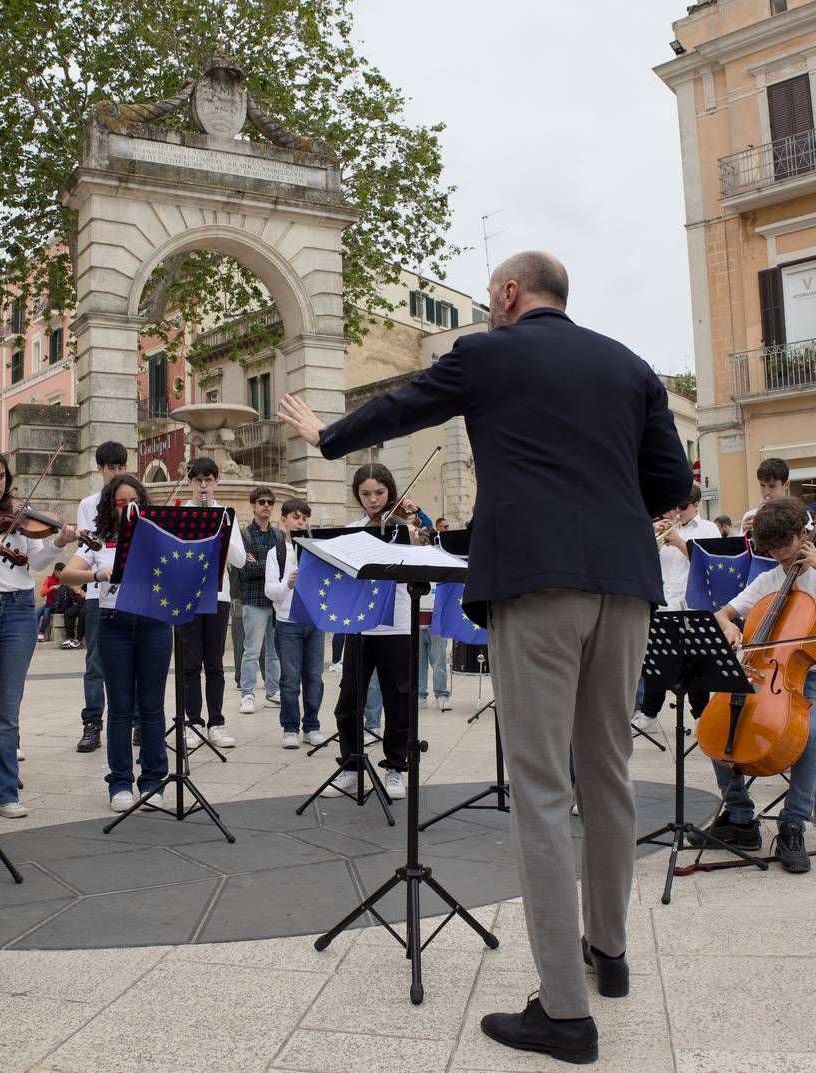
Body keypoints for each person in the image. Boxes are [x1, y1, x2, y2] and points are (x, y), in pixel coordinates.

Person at [279, 250, 692, 1064]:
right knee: (607, 772)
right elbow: (670, 481)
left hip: (536, 583)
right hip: (625, 583)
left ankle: (564, 1012)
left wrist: (327, 436)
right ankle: (608, 952)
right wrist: (599, 509)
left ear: (507, 293)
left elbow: (401, 407)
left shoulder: (487, 352)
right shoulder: (630, 365)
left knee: (540, 787)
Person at [696, 497, 816, 870]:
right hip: (769, 670)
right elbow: (722, 613)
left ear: (802, 534)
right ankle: (740, 818)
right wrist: (729, 625)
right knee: (718, 723)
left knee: (809, 733)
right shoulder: (768, 580)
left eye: (785, 544)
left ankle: (793, 822)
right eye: (772, 548)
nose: (780, 554)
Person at [0, 445, 76, 827]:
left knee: (6, 711)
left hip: (19, 609)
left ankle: (3, 792)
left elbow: (35, 563)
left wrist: (57, 543)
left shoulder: (20, 512)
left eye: (1, 477)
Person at [59, 474, 168, 810]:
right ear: (111, 505)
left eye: (134, 501)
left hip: (153, 621)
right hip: (113, 622)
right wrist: (97, 574)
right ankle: (120, 783)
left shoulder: (157, 536)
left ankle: (153, 780)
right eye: (122, 502)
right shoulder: (98, 540)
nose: (128, 507)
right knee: (120, 707)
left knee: (152, 706)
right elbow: (66, 574)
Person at [320, 462, 419, 803]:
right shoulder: (353, 531)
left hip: (397, 624)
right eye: (365, 494)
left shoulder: (404, 527)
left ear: (390, 492)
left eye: (379, 493)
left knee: (398, 700)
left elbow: (424, 564)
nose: (373, 500)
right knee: (348, 701)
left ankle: (396, 767)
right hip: (360, 624)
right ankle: (350, 767)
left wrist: (414, 535)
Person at [632, 483, 720, 732]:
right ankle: (649, 713)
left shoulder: (708, 529)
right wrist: (650, 536)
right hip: (664, 605)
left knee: (696, 664)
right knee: (658, 661)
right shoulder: (663, 527)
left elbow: (708, 564)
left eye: (683, 507)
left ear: (696, 505)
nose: (677, 512)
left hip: (692, 607)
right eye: (674, 507)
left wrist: (680, 542)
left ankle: (701, 715)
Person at [176, 457, 246, 749]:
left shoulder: (226, 515)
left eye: (208, 480)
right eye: (198, 480)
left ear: (217, 482)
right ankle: (193, 722)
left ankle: (217, 722)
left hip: (218, 595)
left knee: (214, 663)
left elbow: (239, 560)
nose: (203, 486)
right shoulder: (180, 513)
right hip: (187, 595)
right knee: (190, 663)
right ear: (190, 482)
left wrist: (220, 534)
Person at [73, 441, 128, 753]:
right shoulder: (88, 504)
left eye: (121, 467)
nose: (116, 473)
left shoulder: (133, 501)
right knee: (95, 663)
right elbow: (88, 548)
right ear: (101, 469)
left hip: (131, 593)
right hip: (98, 592)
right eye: (111, 468)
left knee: (134, 661)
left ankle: (136, 721)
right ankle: (92, 723)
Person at [264, 498, 326, 748]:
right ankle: (290, 727)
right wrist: (287, 584)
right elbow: (270, 591)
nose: (300, 522)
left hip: (314, 620)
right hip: (288, 623)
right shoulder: (276, 553)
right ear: (284, 520)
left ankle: (312, 726)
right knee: (290, 678)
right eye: (295, 517)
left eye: (304, 518)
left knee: (314, 677)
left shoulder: (315, 549)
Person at [236, 485, 282, 713]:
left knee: (274, 652)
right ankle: (247, 693)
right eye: (261, 502)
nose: (266, 506)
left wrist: (259, 564)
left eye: (269, 502)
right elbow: (246, 569)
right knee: (251, 650)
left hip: (276, 602)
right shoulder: (244, 535)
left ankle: (273, 692)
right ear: (253, 506)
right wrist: (269, 567)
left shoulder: (279, 536)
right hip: (254, 600)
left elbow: (283, 568)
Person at [55, 575, 84, 649]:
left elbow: (81, 592)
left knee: (82, 613)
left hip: (90, 602)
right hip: (81, 603)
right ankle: (70, 637)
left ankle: (79, 639)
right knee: (68, 612)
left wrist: (77, 590)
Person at [37, 562, 63, 641]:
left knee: (46, 611)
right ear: (55, 571)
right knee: (36, 613)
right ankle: (33, 633)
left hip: (57, 605)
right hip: (48, 604)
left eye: (62, 573)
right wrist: (52, 588)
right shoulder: (49, 579)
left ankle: (41, 633)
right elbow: (42, 594)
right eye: (59, 573)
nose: (61, 575)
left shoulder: (64, 580)